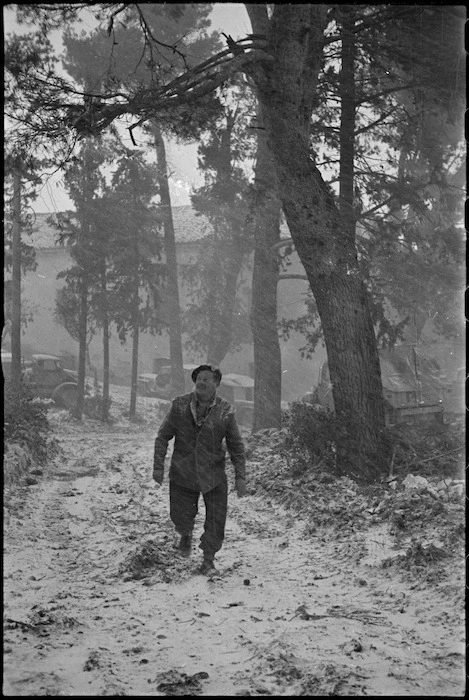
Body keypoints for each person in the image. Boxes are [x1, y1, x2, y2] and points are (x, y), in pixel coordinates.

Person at [152, 364, 247, 575]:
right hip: (183, 471)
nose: (201, 382)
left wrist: (241, 477)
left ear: (217, 384)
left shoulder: (225, 411)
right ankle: (185, 533)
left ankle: (208, 560)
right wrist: (158, 466)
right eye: (199, 379)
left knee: (216, 518)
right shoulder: (179, 406)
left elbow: (236, 446)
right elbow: (163, 436)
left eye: (207, 379)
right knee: (180, 516)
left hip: (212, 473)